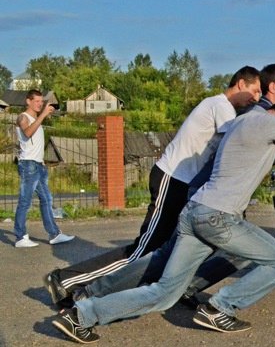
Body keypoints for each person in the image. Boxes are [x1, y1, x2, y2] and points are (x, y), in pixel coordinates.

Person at [51, 97, 275, 343]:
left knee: (164, 292)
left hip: (195, 212)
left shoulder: (244, 122)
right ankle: (219, 308)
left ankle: (83, 314)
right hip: (217, 217)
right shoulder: (269, 122)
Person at [44, 67, 261, 303]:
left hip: (187, 185)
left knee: (183, 244)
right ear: (240, 83)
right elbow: (242, 139)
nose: (256, 98)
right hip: (173, 179)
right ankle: (65, 280)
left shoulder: (223, 108)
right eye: (255, 91)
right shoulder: (221, 107)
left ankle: (173, 288)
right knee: (145, 249)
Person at [13, 90, 73, 248]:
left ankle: (54, 234)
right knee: (25, 201)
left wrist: (42, 162)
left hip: (38, 165)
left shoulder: (36, 118)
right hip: (28, 165)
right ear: (28, 101)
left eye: (41, 101)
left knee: (46, 200)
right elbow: (27, 133)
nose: (40, 104)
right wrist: (43, 115)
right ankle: (20, 237)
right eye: (37, 101)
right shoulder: (23, 117)